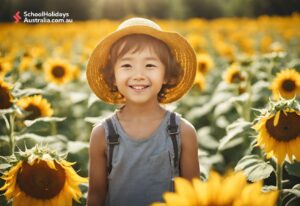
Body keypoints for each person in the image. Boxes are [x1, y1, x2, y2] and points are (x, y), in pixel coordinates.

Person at [86, 17, 200, 206]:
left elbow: (193, 197)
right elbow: (96, 196)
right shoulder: (102, 135)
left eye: (150, 65)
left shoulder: (183, 132)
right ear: (113, 76)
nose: (138, 75)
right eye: (126, 65)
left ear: (167, 74)